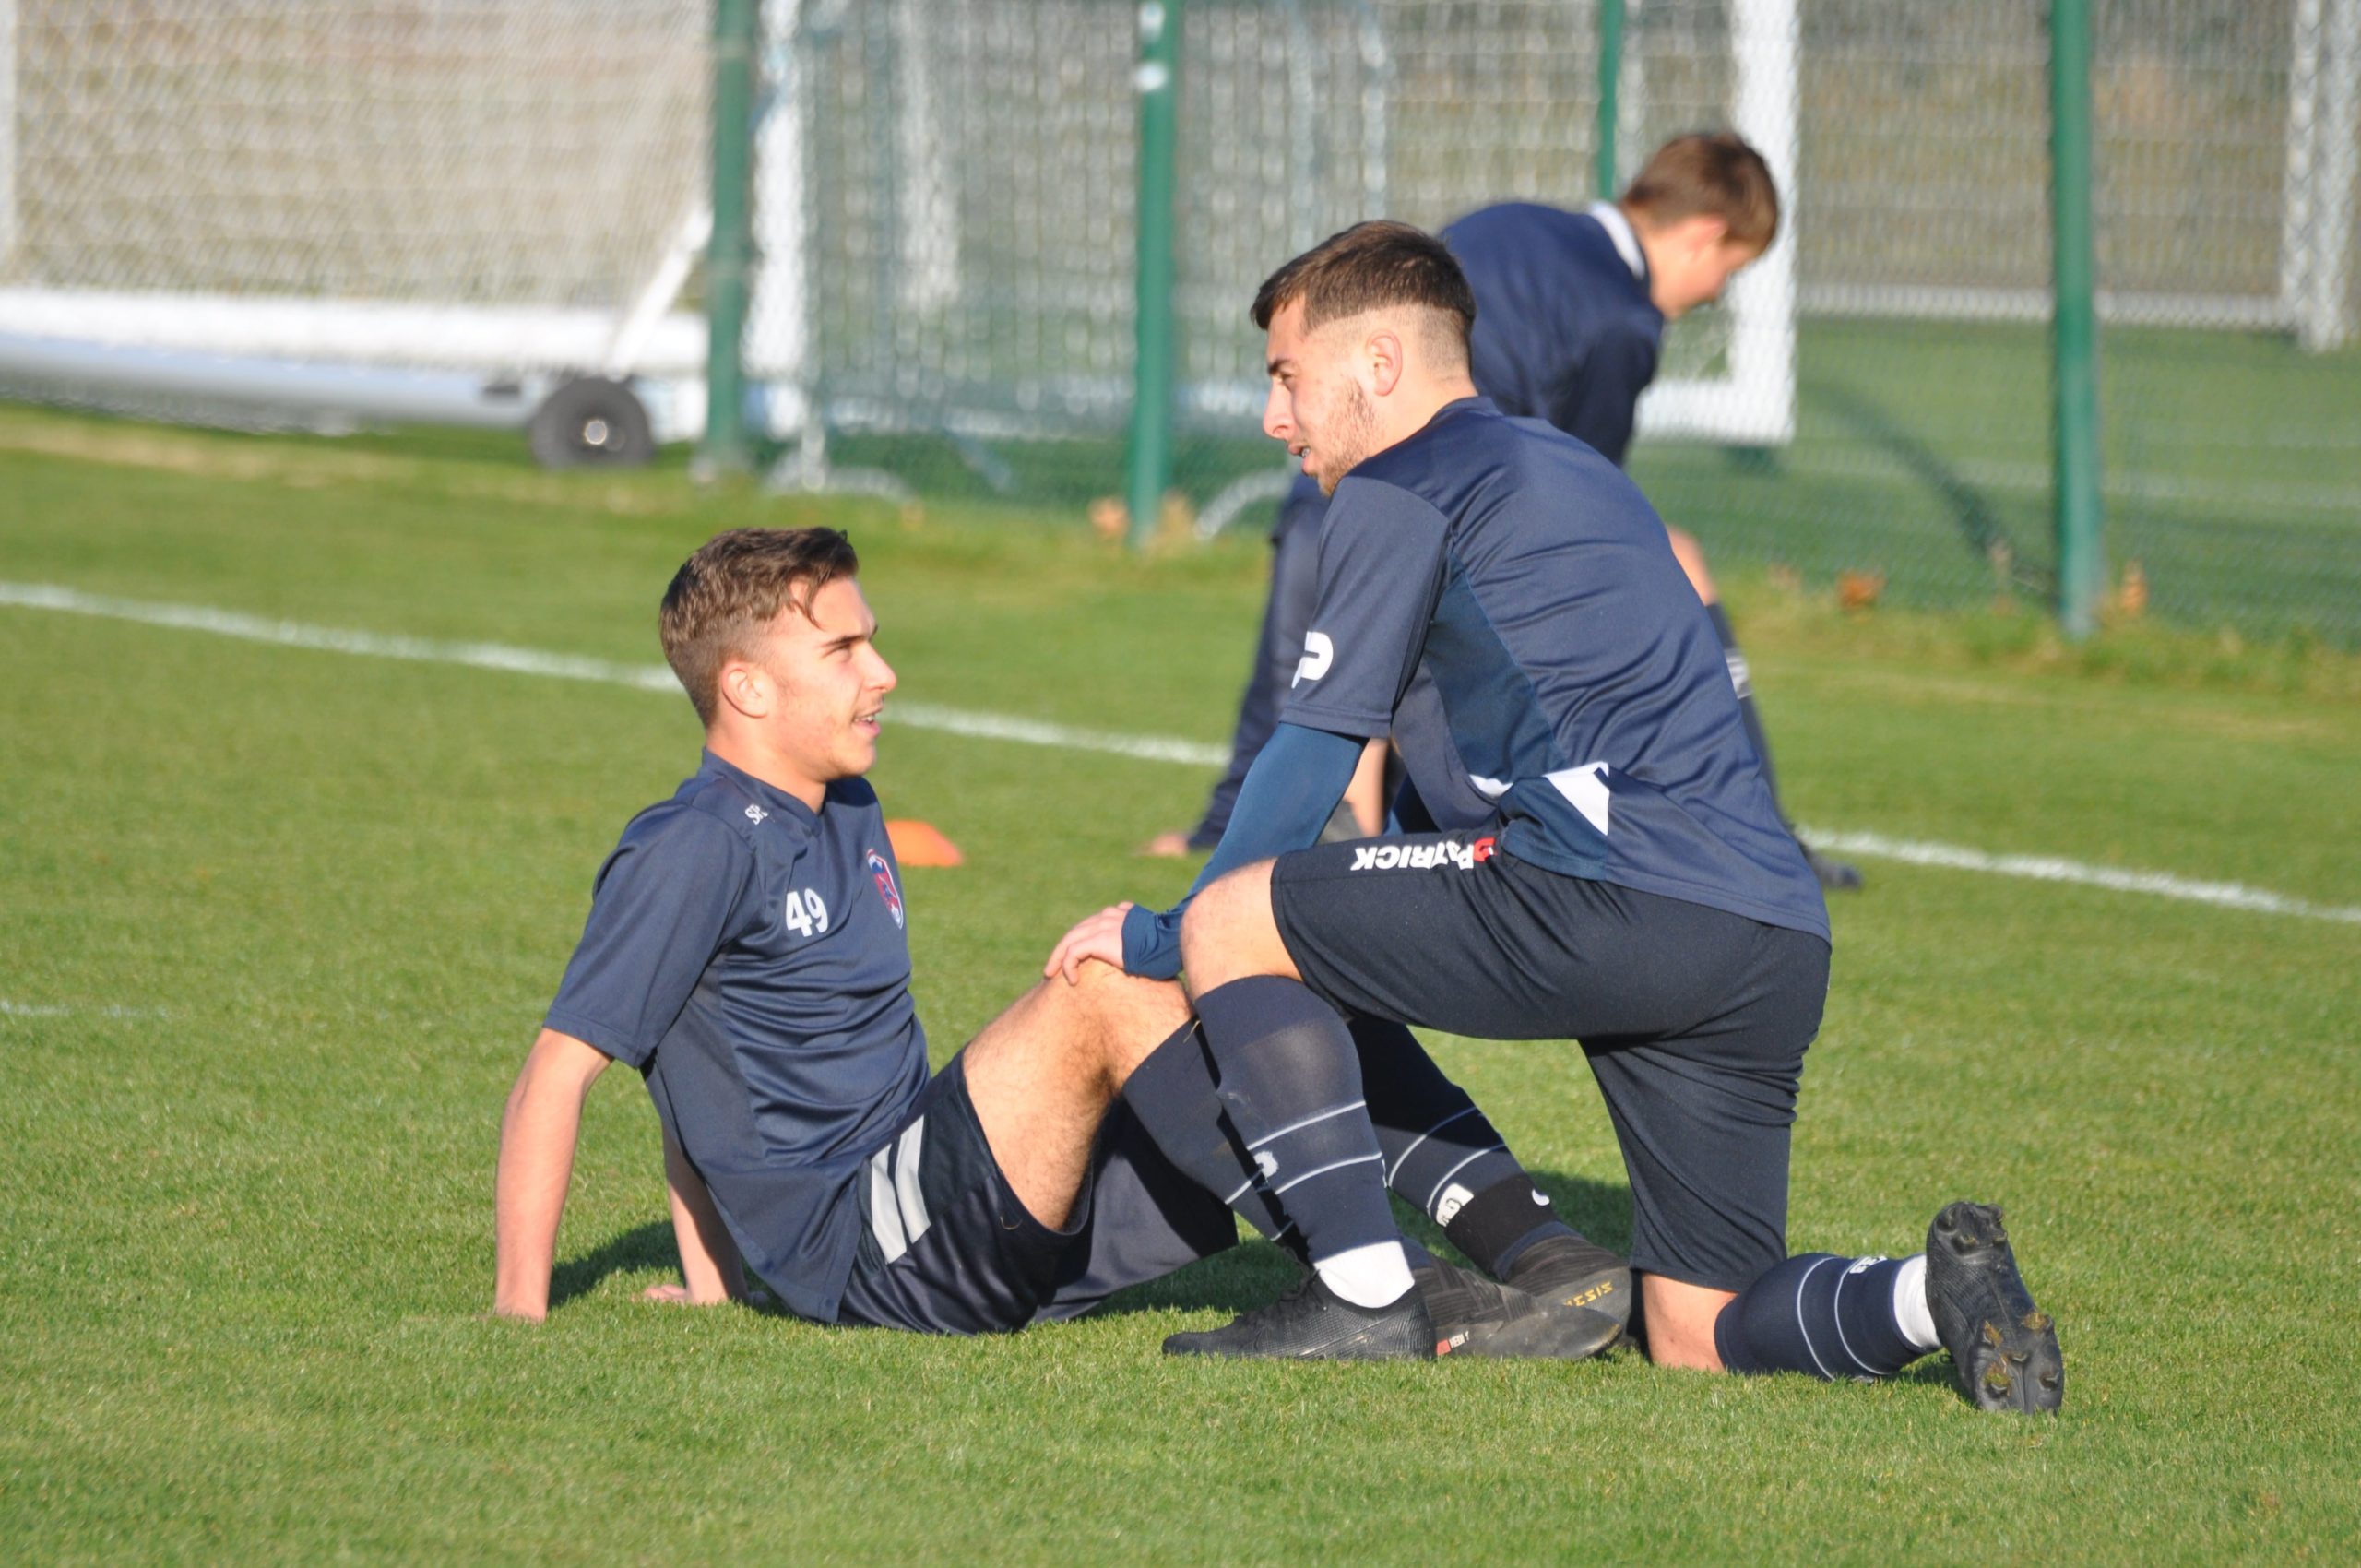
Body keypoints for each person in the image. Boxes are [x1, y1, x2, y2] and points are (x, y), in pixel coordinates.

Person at [1050, 223, 2061, 1410]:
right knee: (1695, 1324)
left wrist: (1174, 931)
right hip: (1767, 933)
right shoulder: (1576, 468)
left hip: (1606, 889)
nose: (1278, 419)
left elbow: (1318, 742)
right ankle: (1922, 1297)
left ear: (1377, 363)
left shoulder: (1399, 479)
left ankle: (1365, 1292)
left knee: (1239, 920)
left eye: (1286, 376)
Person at [492, 526, 1621, 1358]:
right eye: (843, 650)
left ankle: (1536, 1254)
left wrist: (713, 1283)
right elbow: (570, 1068)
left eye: (872, 642)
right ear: (743, 686)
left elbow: (695, 1087)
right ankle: (1388, 1286)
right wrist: (519, 1316)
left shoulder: (842, 804)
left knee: (1269, 941)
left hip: (950, 1197)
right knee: (1099, 983)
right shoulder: (689, 847)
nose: (881, 673)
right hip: (872, 1250)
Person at [1150, 132, 1860, 892]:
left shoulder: (1509, 222)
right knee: (1672, 560)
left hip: (1329, 486)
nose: (1716, 293)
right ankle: (1752, 825)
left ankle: (1274, 829)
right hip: (1428, 519)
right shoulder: (1623, 319)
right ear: (1704, 236)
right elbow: (1573, 502)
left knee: (1330, 695)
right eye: (1730, 270)